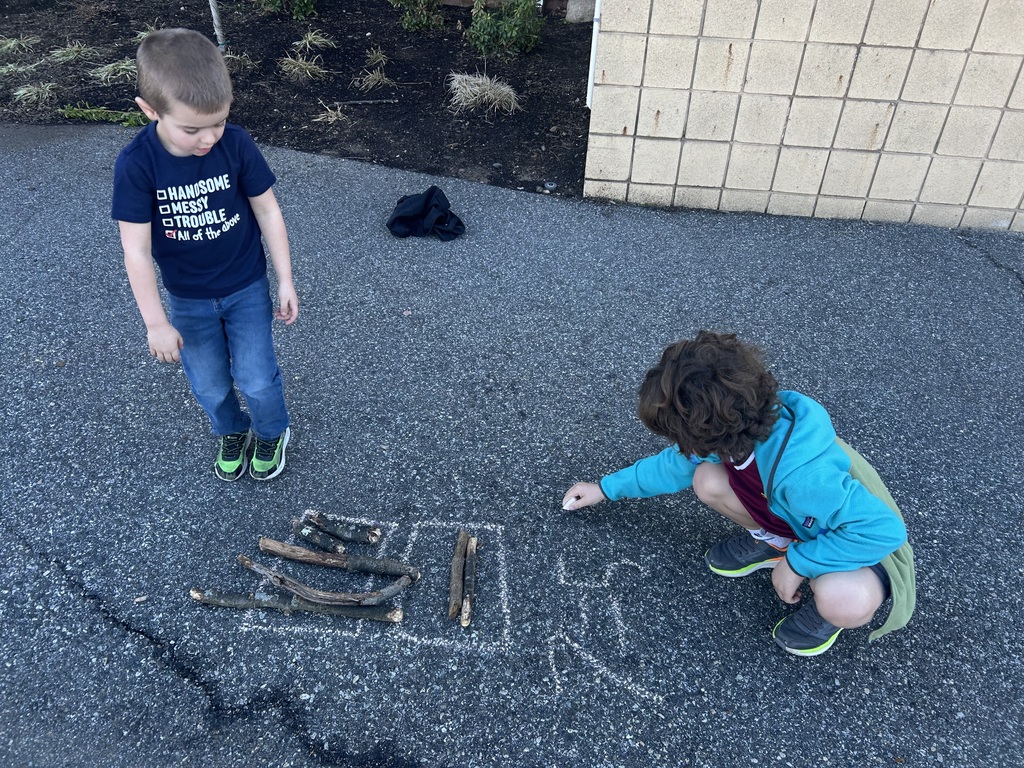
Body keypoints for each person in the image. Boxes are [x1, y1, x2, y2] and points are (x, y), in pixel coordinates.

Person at [561, 331, 915, 656]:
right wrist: (604, 488)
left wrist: (799, 564)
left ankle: (826, 609)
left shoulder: (803, 477)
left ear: (705, 435)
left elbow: (884, 531)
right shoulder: (737, 425)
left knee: (845, 599)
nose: (678, 447)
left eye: (679, 439)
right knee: (707, 480)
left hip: (864, 548)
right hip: (804, 520)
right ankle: (775, 542)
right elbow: (670, 467)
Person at [112, 28, 297, 481]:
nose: (209, 138)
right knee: (210, 384)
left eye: (219, 121)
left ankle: (271, 431)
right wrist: (156, 323)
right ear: (149, 110)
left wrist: (286, 279)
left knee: (256, 378)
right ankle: (231, 429)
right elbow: (136, 251)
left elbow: (268, 210)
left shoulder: (236, 143)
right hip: (189, 299)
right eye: (192, 129)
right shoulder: (137, 165)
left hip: (246, 286)